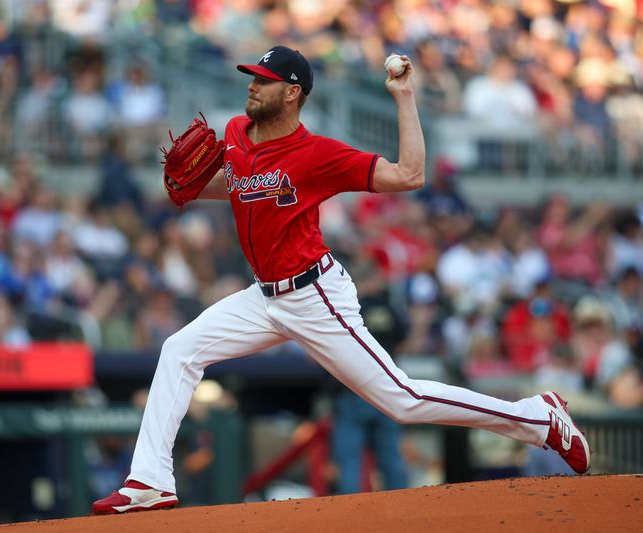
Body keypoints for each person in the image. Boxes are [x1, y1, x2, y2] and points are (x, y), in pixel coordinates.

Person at [91, 46, 590, 515]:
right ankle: (151, 479)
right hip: (262, 298)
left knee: (403, 400)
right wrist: (196, 189)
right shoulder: (237, 134)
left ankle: (538, 418)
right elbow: (244, 188)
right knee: (179, 349)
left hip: (315, 295)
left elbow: (409, 175)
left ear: (292, 93)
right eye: (252, 78)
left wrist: (405, 96)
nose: (252, 86)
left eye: (263, 81)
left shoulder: (317, 154)